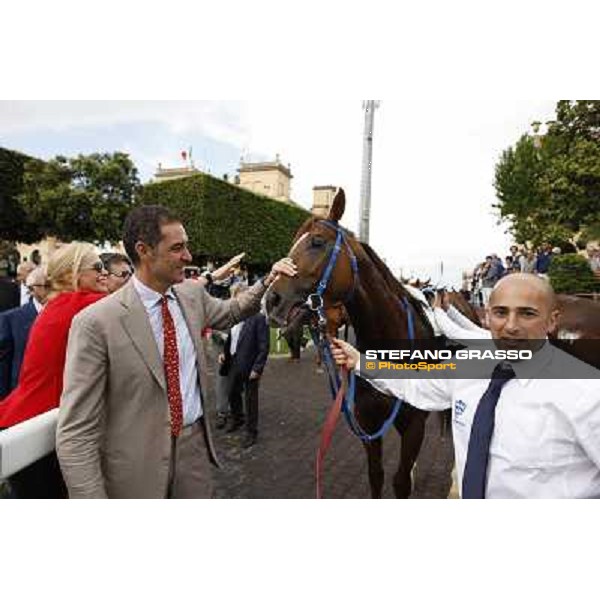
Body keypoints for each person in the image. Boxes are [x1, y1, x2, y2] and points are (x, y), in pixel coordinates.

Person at [56, 205, 296, 499]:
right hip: (133, 469)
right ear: (144, 250)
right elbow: (76, 431)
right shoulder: (95, 323)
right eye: (177, 248)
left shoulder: (192, 294)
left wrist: (267, 280)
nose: (189, 256)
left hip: (193, 453)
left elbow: (232, 311)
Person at [331, 274, 600, 499]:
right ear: (487, 317)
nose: (511, 326)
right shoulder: (470, 363)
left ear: (552, 321)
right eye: (500, 313)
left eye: (527, 314)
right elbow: (415, 381)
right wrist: (360, 362)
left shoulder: (588, 392)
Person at [0, 243, 109, 498]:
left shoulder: (62, 303)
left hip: (27, 420)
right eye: (97, 267)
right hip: (38, 432)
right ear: (74, 273)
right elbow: (136, 301)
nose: (104, 273)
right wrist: (206, 280)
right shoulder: (84, 303)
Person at [220, 284, 270, 448]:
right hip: (234, 361)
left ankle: (251, 432)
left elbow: (264, 345)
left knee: (250, 399)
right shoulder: (234, 317)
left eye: (241, 297)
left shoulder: (258, 318)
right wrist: (224, 353)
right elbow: (231, 338)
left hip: (250, 364)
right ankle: (238, 419)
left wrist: (257, 368)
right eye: (236, 297)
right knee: (232, 392)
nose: (238, 301)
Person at [0, 267, 50, 399]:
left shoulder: (66, 314)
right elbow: (4, 365)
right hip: (20, 394)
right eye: (47, 286)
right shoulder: (11, 319)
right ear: (32, 289)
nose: (54, 291)